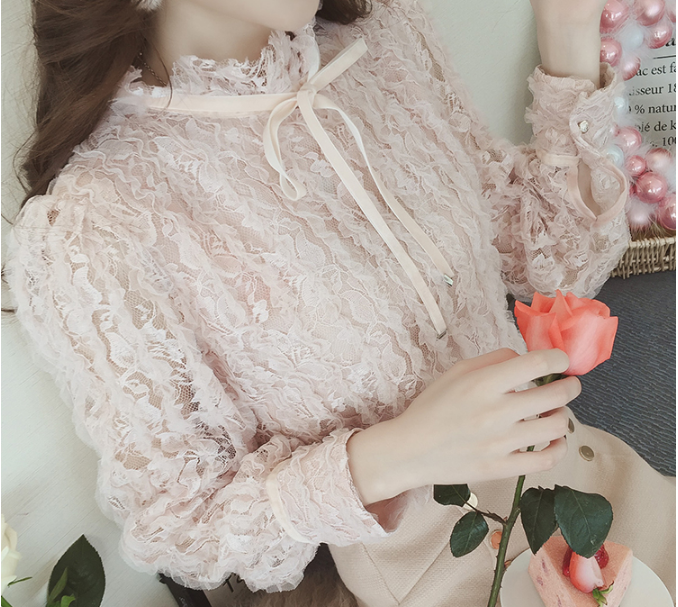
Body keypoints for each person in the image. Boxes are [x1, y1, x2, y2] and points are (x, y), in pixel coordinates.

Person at [5, 0, 675, 605]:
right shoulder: (95, 223)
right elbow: (182, 526)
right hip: (443, 578)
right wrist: (398, 451)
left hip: (593, 494)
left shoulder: (384, 36)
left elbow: (556, 259)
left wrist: (568, 23)